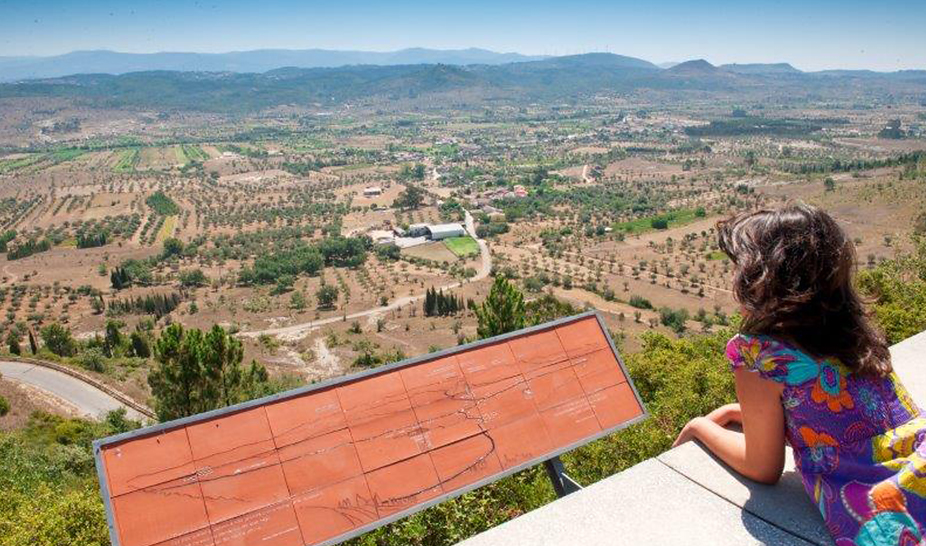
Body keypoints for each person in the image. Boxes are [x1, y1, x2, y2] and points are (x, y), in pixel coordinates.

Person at [672, 203, 924, 545]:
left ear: (762, 280)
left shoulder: (759, 357)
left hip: (885, 502)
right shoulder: (853, 329)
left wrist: (697, 426)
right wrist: (740, 412)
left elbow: (763, 469)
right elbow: (841, 413)